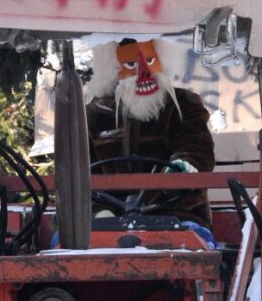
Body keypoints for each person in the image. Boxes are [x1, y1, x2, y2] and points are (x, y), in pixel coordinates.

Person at [84, 38, 215, 239]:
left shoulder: (183, 105)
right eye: (131, 64)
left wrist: (182, 166)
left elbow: (196, 146)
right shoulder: (94, 115)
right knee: (71, 242)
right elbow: (77, 174)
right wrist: (98, 213)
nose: (144, 72)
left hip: (177, 215)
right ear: (113, 68)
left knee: (194, 242)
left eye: (150, 60)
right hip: (107, 221)